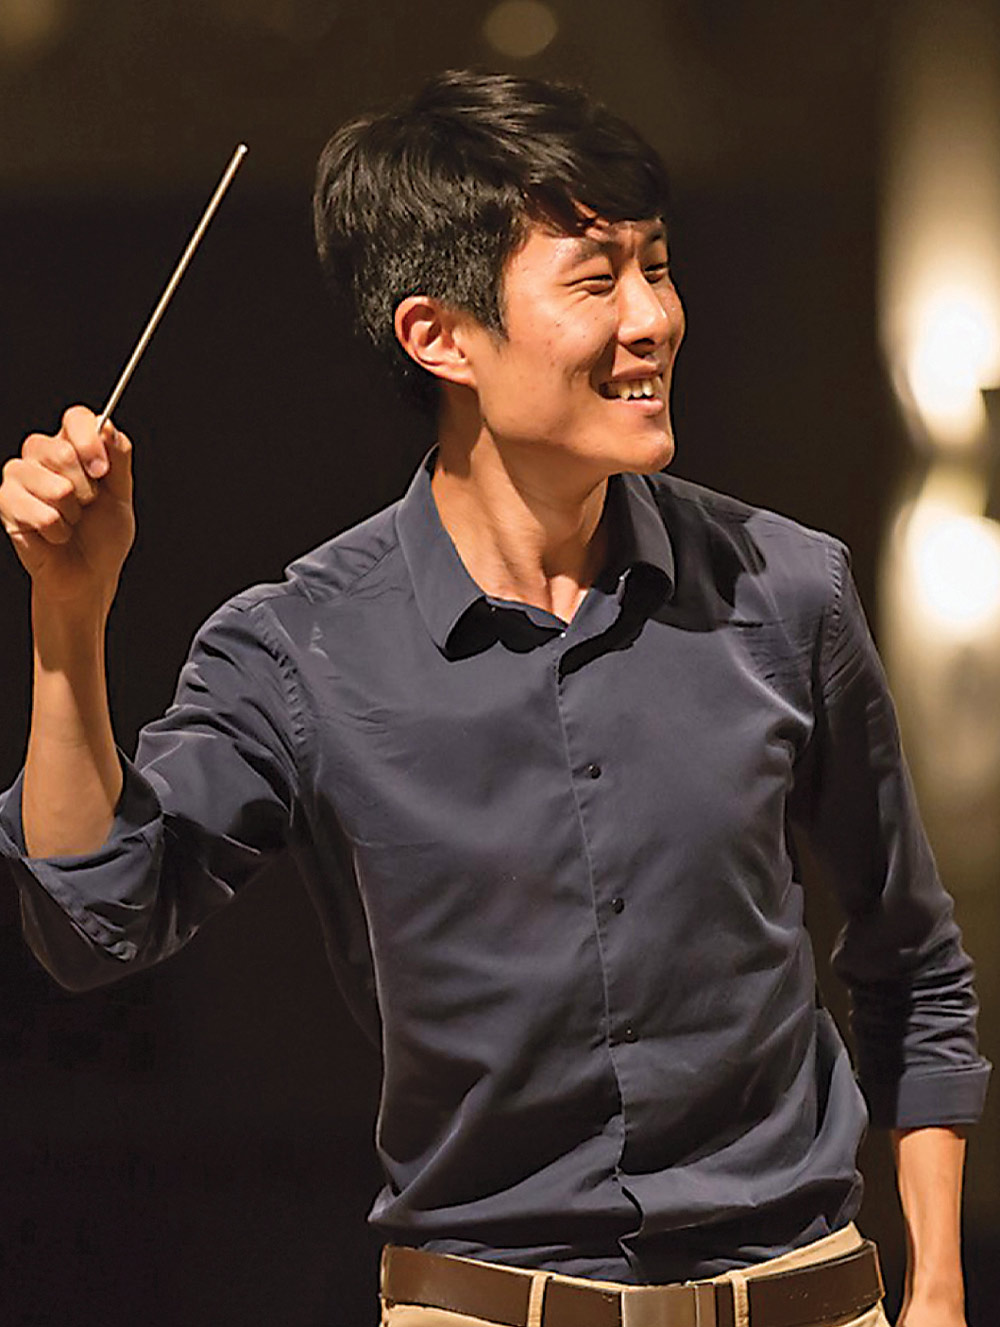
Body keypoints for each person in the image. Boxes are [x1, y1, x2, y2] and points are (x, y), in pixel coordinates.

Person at [0, 69, 989, 1327]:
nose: (653, 319)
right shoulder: (304, 645)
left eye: (658, 266)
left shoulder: (785, 591)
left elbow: (913, 963)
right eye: (594, 280)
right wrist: (67, 618)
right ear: (438, 335)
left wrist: (939, 1293)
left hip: (806, 1293)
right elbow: (98, 922)